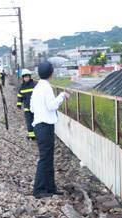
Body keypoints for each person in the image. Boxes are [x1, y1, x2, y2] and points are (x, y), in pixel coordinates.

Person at [29, 61, 69, 199]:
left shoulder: (37, 88)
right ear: (51, 73)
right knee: (45, 158)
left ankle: (51, 188)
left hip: (40, 126)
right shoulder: (46, 88)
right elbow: (52, 106)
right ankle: (39, 189)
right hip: (45, 126)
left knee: (48, 157)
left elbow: (32, 108)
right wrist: (62, 95)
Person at [17, 69, 37, 141]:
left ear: (30, 77)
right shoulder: (21, 87)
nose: (26, 78)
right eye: (25, 77)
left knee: (36, 121)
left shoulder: (35, 84)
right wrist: (19, 105)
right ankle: (31, 135)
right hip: (27, 108)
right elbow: (20, 96)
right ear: (23, 78)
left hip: (36, 108)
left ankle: (37, 134)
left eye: (27, 76)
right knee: (29, 122)